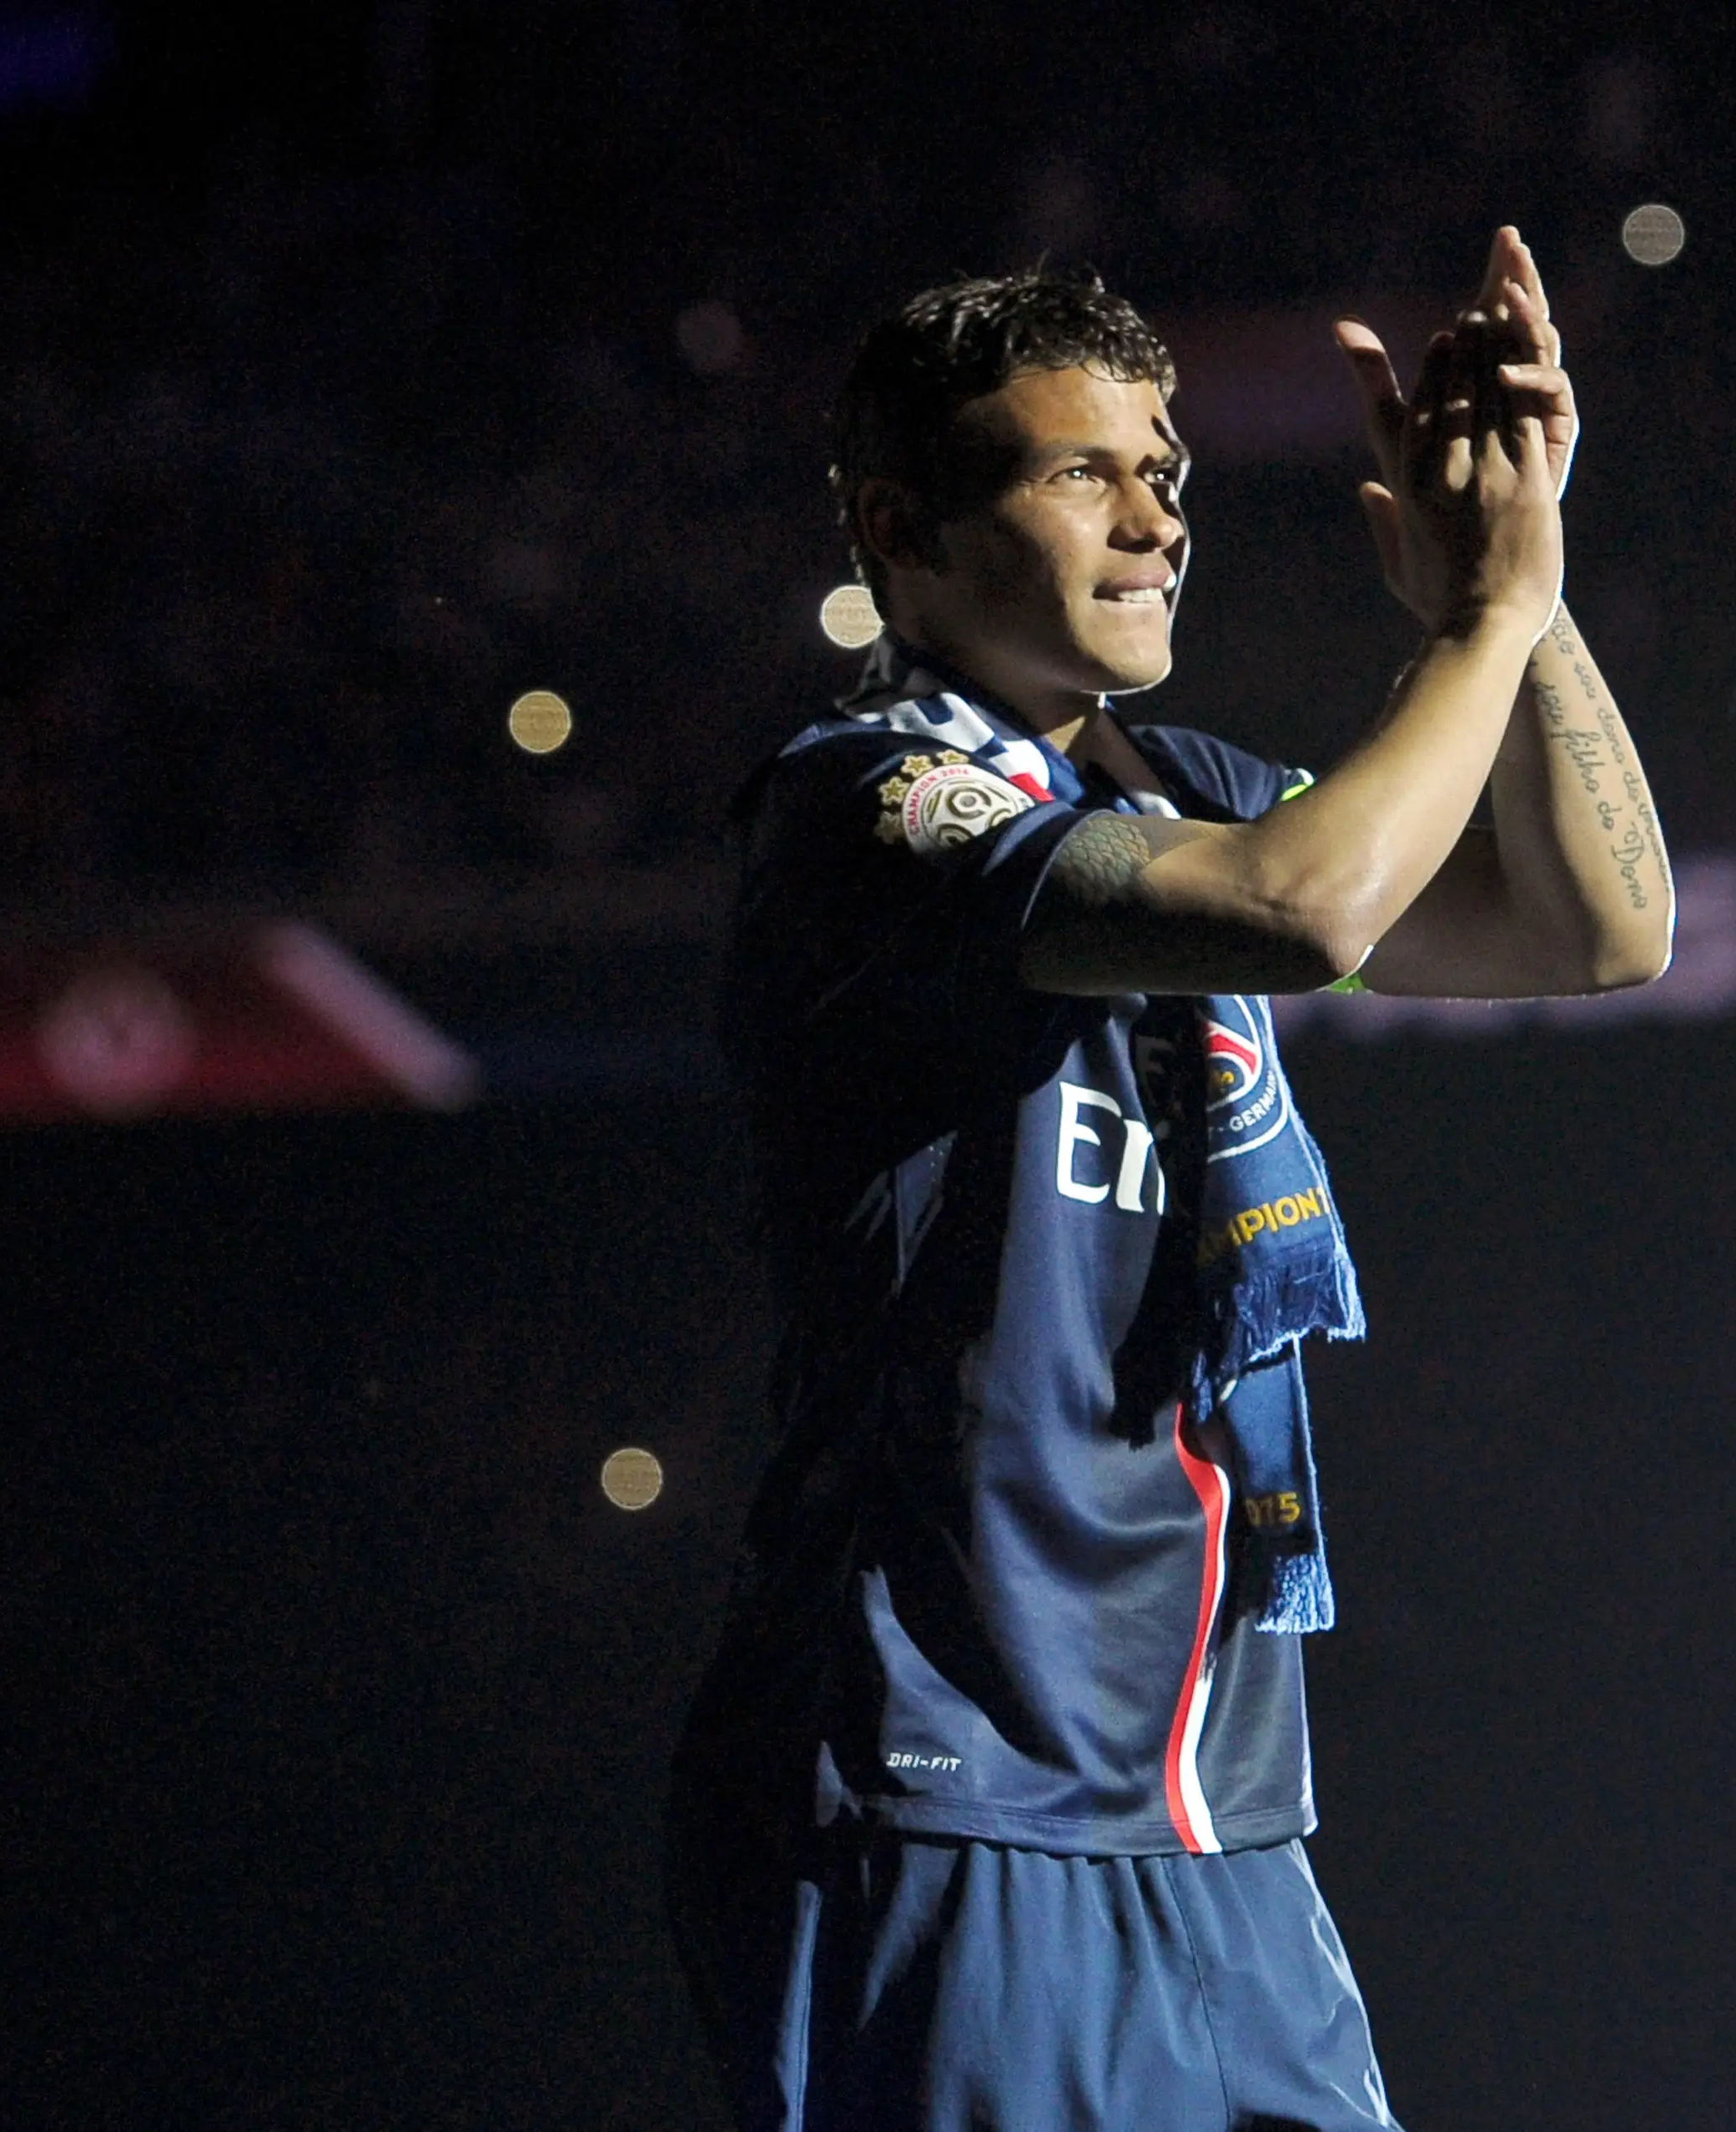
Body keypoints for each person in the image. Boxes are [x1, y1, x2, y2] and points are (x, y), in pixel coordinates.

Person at [669, 226, 1672, 2132]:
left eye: (1167, 470)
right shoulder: (866, 804)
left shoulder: (1182, 786)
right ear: (900, 528)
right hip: (951, 1779)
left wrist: (1527, 599)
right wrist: (1475, 627)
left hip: (1208, 1803)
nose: (1156, 520)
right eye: (1083, 473)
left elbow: (1597, 927)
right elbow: (1306, 913)